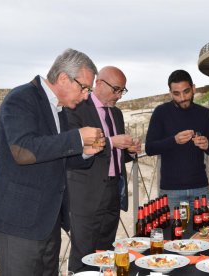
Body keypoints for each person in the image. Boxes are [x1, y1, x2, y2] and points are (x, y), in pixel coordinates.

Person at [0, 48, 104, 276]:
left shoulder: (59, 109)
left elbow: (56, 157)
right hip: (20, 221)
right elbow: (23, 151)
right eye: (84, 87)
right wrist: (77, 137)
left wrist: (85, 152)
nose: (86, 95)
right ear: (64, 77)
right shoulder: (20, 98)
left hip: (48, 220)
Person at [66, 66, 141, 272]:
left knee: (106, 251)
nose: (118, 96)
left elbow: (116, 154)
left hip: (113, 190)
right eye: (116, 89)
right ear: (99, 83)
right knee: (83, 252)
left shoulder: (116, 114)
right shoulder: (77, 108)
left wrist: (131, 151)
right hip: (86, 193)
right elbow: (75, 147)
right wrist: (111, 142)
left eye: (122, 91)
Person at [145, 69, 209, 213]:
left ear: (193, 88)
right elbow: (149, 148)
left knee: (201, 234)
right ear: (170, 93)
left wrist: (207, 144)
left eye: (186, 92)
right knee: (173, 235)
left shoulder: (204, 113)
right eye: (176, 94)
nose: (182, 98)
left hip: (200, 188)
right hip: (171, 190)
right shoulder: (161, 112)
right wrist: (174, 140)